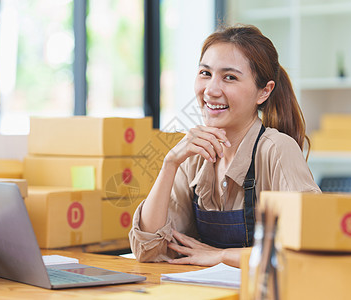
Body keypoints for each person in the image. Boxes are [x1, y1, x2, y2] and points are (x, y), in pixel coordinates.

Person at [129, 24, 321, 268]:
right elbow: (148, 249)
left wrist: (221, 256)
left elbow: (308, 248)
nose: (211, 90)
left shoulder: (277, 150)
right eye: (205, 73)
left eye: (230, 77)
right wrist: (170, 164)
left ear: (264, 92)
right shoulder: (193, 155)